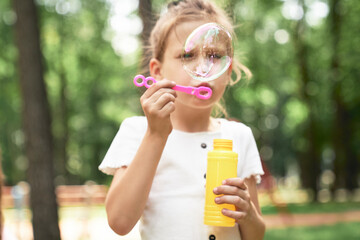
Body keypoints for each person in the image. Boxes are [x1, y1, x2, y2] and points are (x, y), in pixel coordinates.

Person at [99, 0, 266, 239]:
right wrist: (156, 134)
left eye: (215, 55)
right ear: (157, 71)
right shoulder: (137, 131)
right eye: (187, 55)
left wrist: (247, 213)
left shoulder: (239, 136)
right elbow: (119, 222)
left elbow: (256, 235)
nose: (203, 67)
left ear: (227, 72)